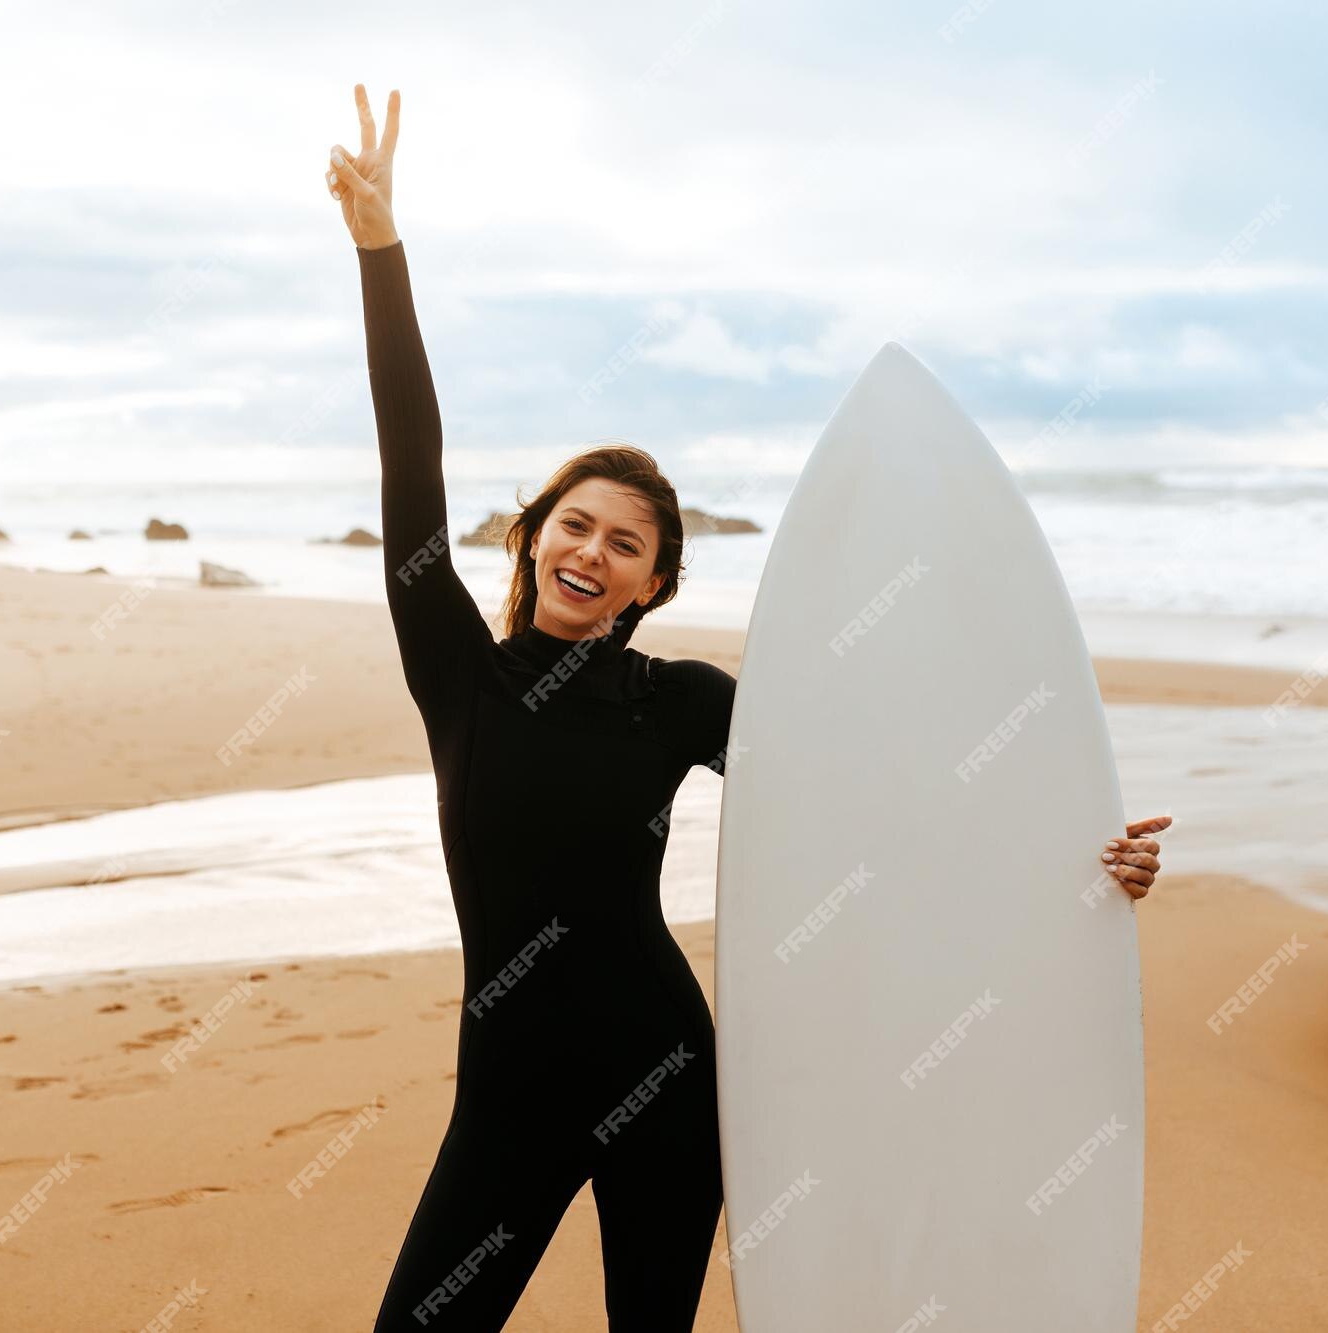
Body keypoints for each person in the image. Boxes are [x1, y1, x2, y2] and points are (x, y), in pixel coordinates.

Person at [326, 83, 1170, 1331]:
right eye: (575, 525)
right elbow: (410, 464)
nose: (592, 552)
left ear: (654, 581)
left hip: (665, 1076)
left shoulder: (678, 703)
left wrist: (1078, 857)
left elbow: (880, 796)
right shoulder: (457, 669)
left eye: (626, 544)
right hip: (504, 1093)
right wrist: (380, 250)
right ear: (529, 537)